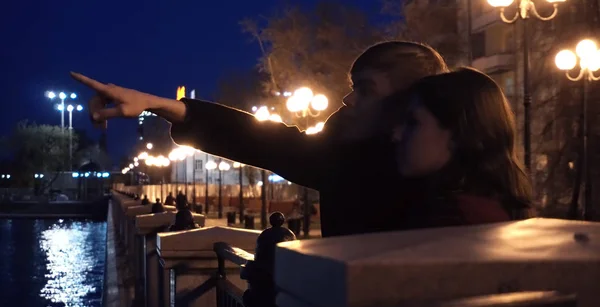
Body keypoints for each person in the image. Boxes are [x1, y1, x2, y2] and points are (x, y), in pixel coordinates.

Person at [71, 41, 449, 237]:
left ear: (408, 100)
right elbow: (263, 140)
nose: (348, 100)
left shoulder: (452, 192)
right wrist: (157, 104)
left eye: (364, 89)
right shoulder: (347, 160)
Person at [387, 67, 533, 228]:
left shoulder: (456, 220)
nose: (396, 136)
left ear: (458, 135)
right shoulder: (479, 210)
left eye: (412, 122)